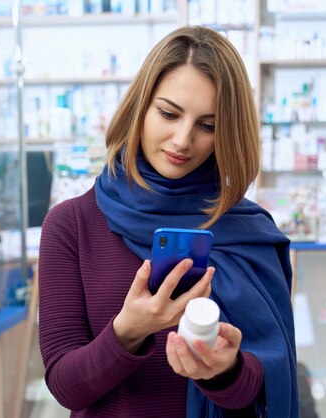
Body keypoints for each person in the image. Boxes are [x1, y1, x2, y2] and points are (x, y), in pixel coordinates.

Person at [38, 26, 299, 418]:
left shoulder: (250, 231)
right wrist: (128, 329)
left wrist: (223, 372)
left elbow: (265, 387)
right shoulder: (72, 224)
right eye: (169, 113)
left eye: (207, 125)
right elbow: (65, 387)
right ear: (140, 106)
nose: (182, 140)